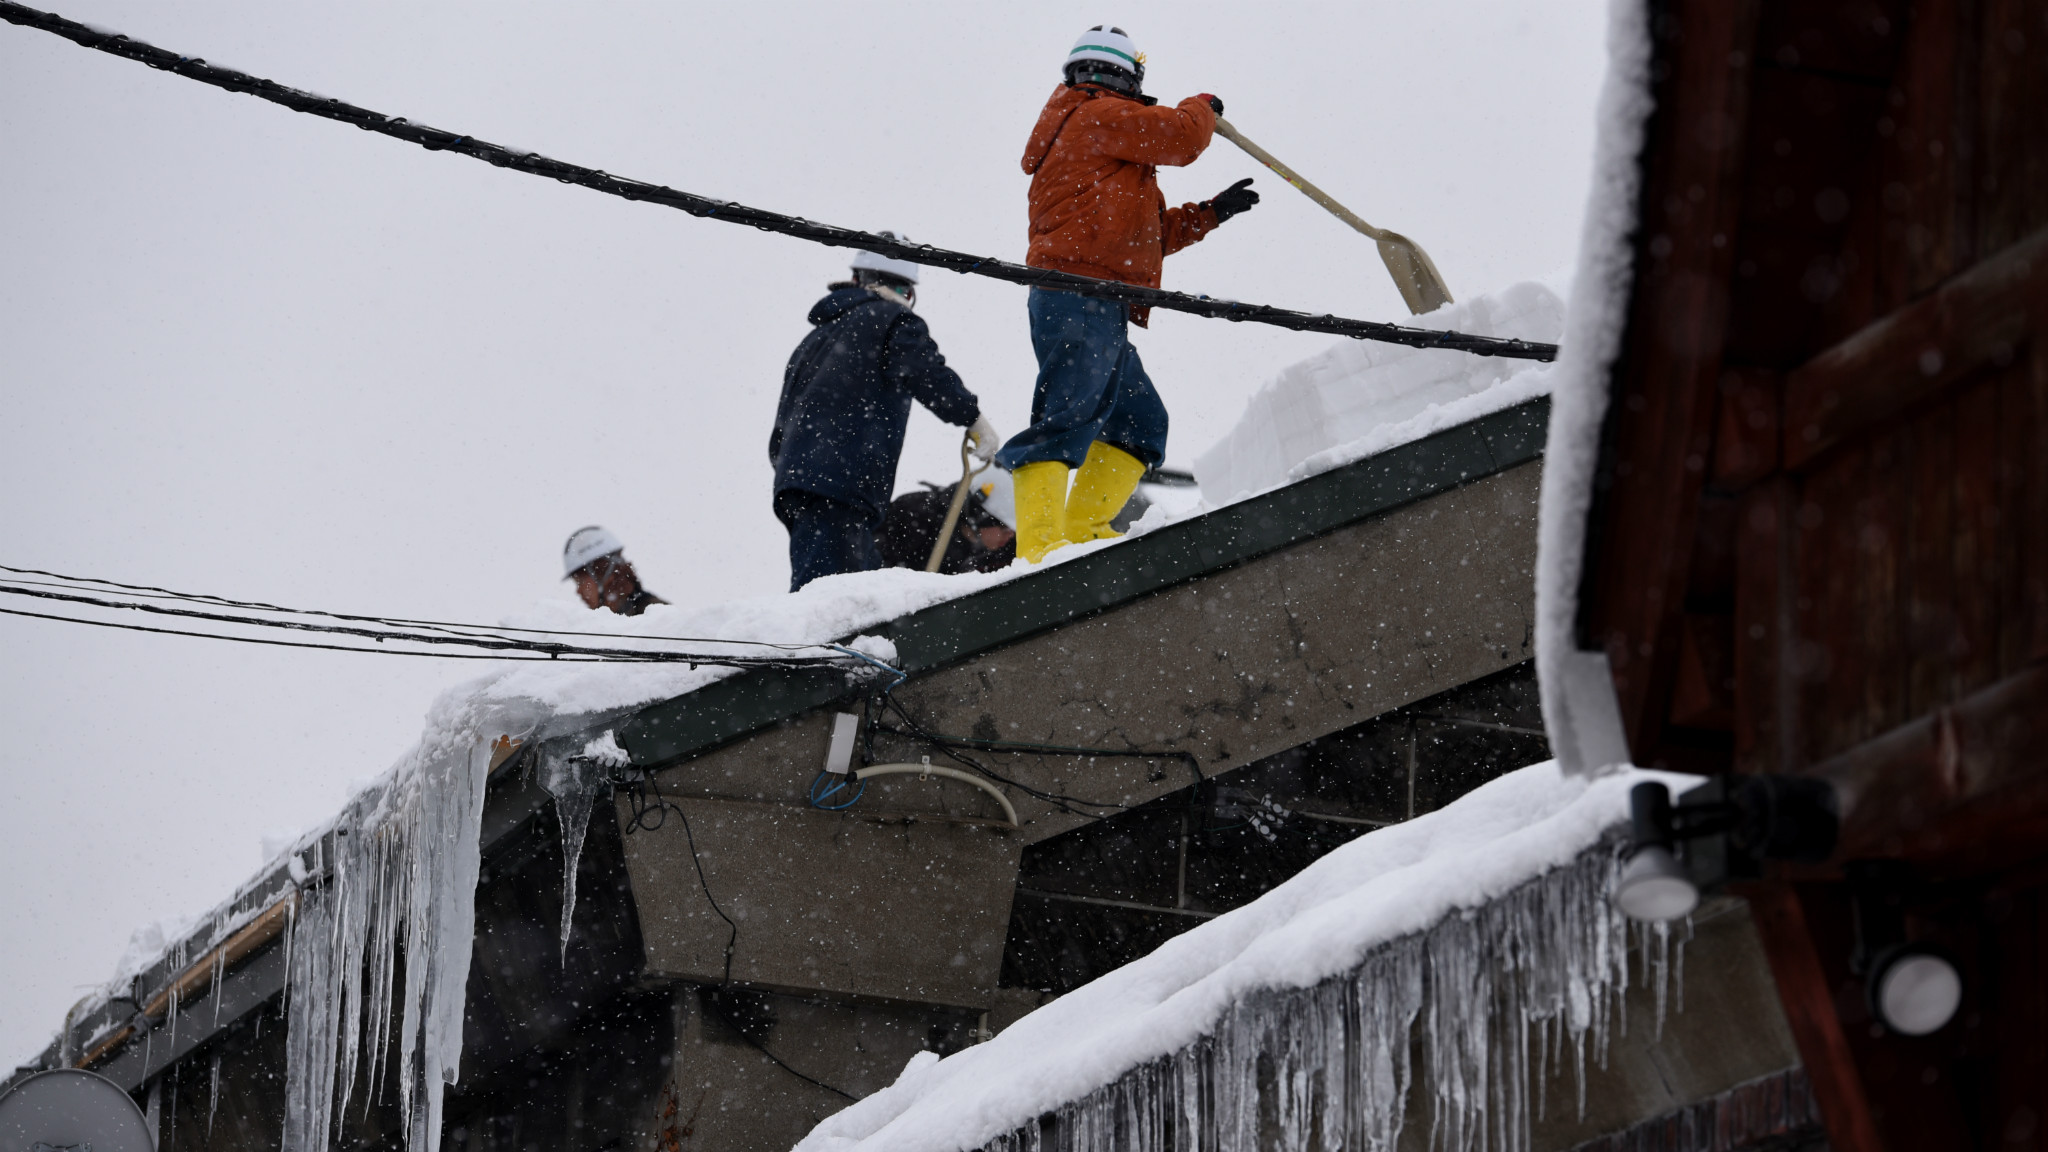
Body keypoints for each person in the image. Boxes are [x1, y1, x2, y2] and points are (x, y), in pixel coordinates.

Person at [995, 27, 1260, 562]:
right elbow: (1184, 136)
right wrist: (1202, 106)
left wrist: (1209, 214)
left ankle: (1085, 529)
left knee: (1141, 423)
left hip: (1101, 299)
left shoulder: (1104, 139)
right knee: (1065, 419)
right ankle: (1042, 549)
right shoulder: (1095, 114)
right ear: (1122, 76)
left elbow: (1146, 241)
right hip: (1077, 294)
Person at [770, 236, 1002, 591]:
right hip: (843, 482)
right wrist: (972, 418)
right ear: (904, 290)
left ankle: (837, 643)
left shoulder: (815, 339)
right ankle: (817, 648)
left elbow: (783, 424)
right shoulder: (890, 319)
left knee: (860, 586)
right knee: (831, 594)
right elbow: (926, 372)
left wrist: (799, 467)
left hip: (801, 480)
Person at [562, 526, 667, 616]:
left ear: (604, 574)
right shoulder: (605, 627)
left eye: (580, 581)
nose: (578, 591)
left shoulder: (658, 620)